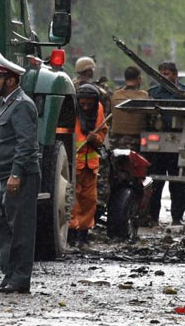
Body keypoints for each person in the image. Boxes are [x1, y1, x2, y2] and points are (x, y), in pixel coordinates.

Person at [0, 50, 39, 294]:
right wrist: (2, 171)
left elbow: (25, 144)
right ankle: (9, 276)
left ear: (11, 80)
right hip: (6, 175)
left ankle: (20, 279)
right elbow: (6, 143)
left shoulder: (22, 106)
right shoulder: (8, 105)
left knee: (20, 229)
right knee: (6, 228)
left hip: (21, 177)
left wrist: (16, 173)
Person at [148, 61, 185, 226]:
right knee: (155, 182)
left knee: (179, 183)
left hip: (181, 142)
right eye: (161, 73)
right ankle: (153, 217)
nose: (164, 77)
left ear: (175, 75)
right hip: (158, 143)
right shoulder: (153, 93)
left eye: (167, 73)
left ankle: (177, 218)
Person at [69, 83, 107, 247]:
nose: (85, 107)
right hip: (73, 164)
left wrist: (96, 139)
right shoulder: (71, 110)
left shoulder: (98, 109)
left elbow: (103, 130)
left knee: (89, 201)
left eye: (88, 105)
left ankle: (83, 235)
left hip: (89, 165)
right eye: (82, 104)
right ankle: (70, 234)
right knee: (71, 201)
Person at [110, 66, 148, 151]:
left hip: (116, 141)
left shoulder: (115, 95)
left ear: (125, 78)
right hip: (136, 141)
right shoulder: (144, 96)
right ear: (139, 79)